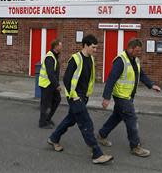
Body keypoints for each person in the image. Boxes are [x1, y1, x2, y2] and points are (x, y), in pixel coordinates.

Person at [47, 34, 114, 165]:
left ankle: (53, 138)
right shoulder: (75, 59)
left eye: (96, 48)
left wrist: (86, 95)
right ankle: (97, 154)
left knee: (70, 120)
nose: (95, 50)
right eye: (93, 47)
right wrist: (74, 96)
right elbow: (66, 79)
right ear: (85, 45)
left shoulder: (91, 59)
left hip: (83, 97)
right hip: (75, 97)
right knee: (86, 123)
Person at [98, 38, 161, 157]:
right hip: (121, 97)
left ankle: (102, 134)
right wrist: (106, 98)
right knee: (131, 119)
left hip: (128, 96)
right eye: (137, 51)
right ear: (130, 48)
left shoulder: (135, 60)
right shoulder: (120, 61)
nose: (139, 53)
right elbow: (111, 79)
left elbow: (141, 75)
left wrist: (152, 85)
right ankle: (135, 146)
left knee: (116, 117)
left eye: (140, 51)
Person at [38, 39, 63, 129]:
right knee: (46, 104)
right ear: (56, 47)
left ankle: (47, 118)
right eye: (60, 45)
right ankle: (43, 122)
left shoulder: (54, 56)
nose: (61, 47)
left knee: (57, 99)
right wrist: (57, 85)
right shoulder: (50, 57)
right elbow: (50, 73)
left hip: (51, 84)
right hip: (46, 84)